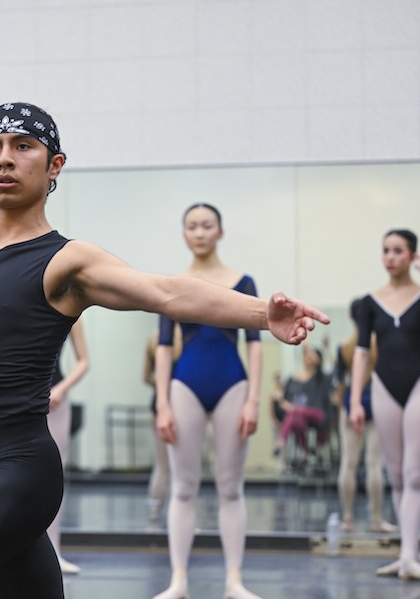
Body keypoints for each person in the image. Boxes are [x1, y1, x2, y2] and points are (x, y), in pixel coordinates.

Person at [0, 0, 328, 599]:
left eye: (23, 146)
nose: (5, 158)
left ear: (54, 163)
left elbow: (167, 292)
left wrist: (263, 313)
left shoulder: (67, 261)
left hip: (19, 468)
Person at [152, 203, 263, 599]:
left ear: (220, 232)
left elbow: (255, 344)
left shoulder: (243, 282)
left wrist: (254, 399)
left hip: (232, 383)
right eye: (192, 226)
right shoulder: (174, 282)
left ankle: (234, 579)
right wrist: (162, 403)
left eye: (207, 226)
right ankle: (178, 579)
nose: (199, 232)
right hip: (186, 385)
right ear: (184, 233)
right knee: (183, 487)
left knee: (231, 487)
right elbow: (164, 347)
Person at [349, 229, 420, 582]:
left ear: (411, 255)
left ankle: (411, 555)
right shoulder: (369, 302)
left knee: (414, 473)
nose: (391, 257)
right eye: (386, 250)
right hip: (383, 386)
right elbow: (362, 353)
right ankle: (403, 553)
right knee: (395, 474)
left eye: (398, 251)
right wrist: (353, 401)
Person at [334, 298, 396, 534]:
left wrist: (344, 408)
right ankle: (376, 519)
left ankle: (348, 517)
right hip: (376, 400)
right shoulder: (379, 345)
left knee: (348, 463)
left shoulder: (345, 347)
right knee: (374, 465)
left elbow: (339, 383)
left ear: (352, 318)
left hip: (352, 401)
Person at [46, 318, 90, 574]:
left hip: (54, 395)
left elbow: (84, 360)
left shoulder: (70, 311)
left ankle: (53, 551)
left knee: (53, 473)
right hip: (18, 393)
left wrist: (62, 389)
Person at [143, 327, 181, 524]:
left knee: (162, 465)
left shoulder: (153, 339)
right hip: (179, 403)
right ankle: (180, 512)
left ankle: (155, 510)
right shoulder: (181, 339)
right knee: (180, 466)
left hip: (158, 404)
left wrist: (160, 387)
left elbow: (145, 377)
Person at [277, 343, 331, 471]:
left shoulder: (322, 378)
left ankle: (281, 442)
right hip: (298, 417)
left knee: (295, 412)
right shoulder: (293, 378)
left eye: (311, 354)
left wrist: (308, 345)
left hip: (318, 414)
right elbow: (283, 398)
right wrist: (284, 403)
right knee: (296, 418)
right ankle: (305, 451)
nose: (308, 356)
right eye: (306, 354)